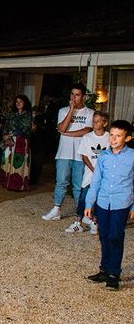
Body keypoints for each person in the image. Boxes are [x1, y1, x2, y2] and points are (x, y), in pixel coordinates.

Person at [84, 120, 134, 291]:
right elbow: (96, 181)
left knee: (115, 236)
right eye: (111, 135)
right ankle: (104, 270)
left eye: (118, 136)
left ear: (127, 138)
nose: (113, 139)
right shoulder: (104, 156)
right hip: (103, 202)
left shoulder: (132, 156)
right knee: (104, 236)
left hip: (121, 203)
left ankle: (114, 273)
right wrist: (89, 202)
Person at [42, 84, 94, 220]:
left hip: (80, 154)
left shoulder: (90, 112)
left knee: (78, 186)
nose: (74, 97)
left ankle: (81, 213)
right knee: (61, 182)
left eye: (77, 95)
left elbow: (86, 131)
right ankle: (56, 209)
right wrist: (71, 110)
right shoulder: (63, 110)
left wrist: (66, 133)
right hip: (64, 153)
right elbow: (62, 127)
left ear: (83, 97)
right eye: (72, 94)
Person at [65, 111, 109, 234]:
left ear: (105, 123)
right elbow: (84, 155)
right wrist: (93, 169)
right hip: (90, 174)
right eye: (94, 120)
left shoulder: (109, 137)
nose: (95, 123)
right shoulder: (87, 137)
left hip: (104, 175)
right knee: (84, 196)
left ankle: (95, 222)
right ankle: (78, 222)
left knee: (100, 198)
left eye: (98, 121)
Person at [0, 95, 33, 191]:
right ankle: (7, 183)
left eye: (21, 101)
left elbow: (26, 129)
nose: (18, 103)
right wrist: (5, 136)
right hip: (9, 141)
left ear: (25, 103)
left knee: (18, 162)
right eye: (17, 101)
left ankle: (17, 185)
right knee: (8, 160)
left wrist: (11, 134)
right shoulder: (12, 114)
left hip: (21, 141)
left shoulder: (27, 115)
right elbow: (6, 126)